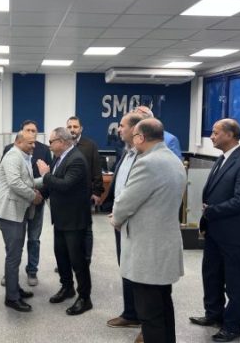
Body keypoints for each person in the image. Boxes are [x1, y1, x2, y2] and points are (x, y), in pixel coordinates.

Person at [110, 118, 187, 343]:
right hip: (164, 245)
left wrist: (116, 219)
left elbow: (125, 202)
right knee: (163, 306)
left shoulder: (147, 163)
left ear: (140, 138)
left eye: (134, 135)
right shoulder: (173, 159)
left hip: (147, 250)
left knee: (149, 313)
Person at [190, 119, 240, 342]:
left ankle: (232, 326)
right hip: (215, 232)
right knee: (211, 275)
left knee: (235, 283)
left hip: (234, 235)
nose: (211, 136)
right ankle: (213, 314)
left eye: (215, 132)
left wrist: (212, 211)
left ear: (230, 135)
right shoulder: (222, 159)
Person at [36, 127, 93, 316]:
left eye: (51, 142)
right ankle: (67, 287)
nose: (49, 145)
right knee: (61, 256)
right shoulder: (59, 157)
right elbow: (53, 184)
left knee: (78, 260)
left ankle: (84, 298)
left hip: (75, 220)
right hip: (61, 218)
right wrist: (39, 194)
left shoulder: (76, 159)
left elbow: (65, 185)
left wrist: (45, 175)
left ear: (61, 142)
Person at [104, 112, 144, 329]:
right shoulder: (126, 153)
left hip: (134, 222)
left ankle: (139, 314)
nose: (118, 129)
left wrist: (121, 213)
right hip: (120, 219)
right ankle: (130, 312)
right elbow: (120, 184)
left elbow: (137, 192)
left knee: (136, 268)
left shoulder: (144, 157)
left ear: (136, 130)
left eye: (122, 125)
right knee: (125, 265)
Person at [0, 131, 43, 312]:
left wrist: (46, 178)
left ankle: (14, 288)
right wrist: (33, 196)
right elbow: (15, 183)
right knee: (13, 256)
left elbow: (26, 181)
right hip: (9, 213)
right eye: (30, 143)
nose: (34, 146)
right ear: (19, 142)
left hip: (17, 213)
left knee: (15, 253)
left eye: (34, 142)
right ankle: (12, 298)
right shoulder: (13, 157)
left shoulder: (22, 157)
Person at [0, 120, 52, 286]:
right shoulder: (11, 150)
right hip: (17, 203)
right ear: (21, 134)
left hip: (37, 202)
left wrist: (40, 196)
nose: (31, 133)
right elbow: (7, 179)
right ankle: (10, 273)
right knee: (14, 241)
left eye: (34, 130)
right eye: (28, 130)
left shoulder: (44, 149)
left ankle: (32, 271)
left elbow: (48, 177)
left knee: (34, 239)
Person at [66, 116, 104, 266]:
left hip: (84, 196)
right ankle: (67, 260)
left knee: (86, 230)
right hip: (66, 196)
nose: (72, 130)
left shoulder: (90, 145)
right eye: (69, 127)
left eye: (75, 127)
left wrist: (97, 192)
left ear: (81, 128)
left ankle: (85, 260)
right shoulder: (64, 145)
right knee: (68, 230)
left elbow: (97, 170)